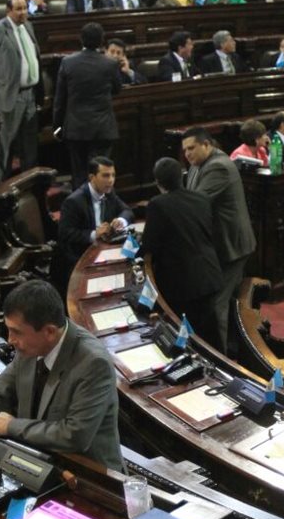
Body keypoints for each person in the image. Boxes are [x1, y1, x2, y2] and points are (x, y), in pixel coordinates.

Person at [0, 280, 122, 470]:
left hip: (89, 475)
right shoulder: (30, 347)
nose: (10, 340)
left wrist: (12, 426)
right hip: (37, 460)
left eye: (16, 332)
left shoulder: (93, 363)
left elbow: (74, 435)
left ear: (49, 331)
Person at [181, 126, 256, 351]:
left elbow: (194, 204)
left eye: (191, 148)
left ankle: (221, 360)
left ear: (207, 144)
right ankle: (234, 348)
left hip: (231, 247)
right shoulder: (198, 165)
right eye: (185, 150)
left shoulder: (218, 167)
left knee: (218, 305)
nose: (187, 154)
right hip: (219, 246)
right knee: (226, 303)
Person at [140, 157, 224, 347]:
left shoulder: (157, 204)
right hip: (209, 273)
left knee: (186, 334)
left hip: (182, 282)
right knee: (211, 331)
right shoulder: (201, 198)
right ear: (182, 176)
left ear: (158, 182)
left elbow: (150, 244)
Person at [0, 0, 41, 177]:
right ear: (8, 11)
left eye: (24, 9)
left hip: (30, 94)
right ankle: (2, 184)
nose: (22, 13)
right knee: (5, 143)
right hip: (9, 95)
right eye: (18, 9)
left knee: (29, 142)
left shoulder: (28, 26)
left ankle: (30, 180)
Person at [54, 23, 123, 189]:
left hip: (76, 128)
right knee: (102, 174)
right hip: (102, 128)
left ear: (81, 39)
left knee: (79, 175)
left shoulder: (68, 62)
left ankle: (82, 211)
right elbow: (117, 89)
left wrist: (57, 125)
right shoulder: (110, 64)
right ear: (101, 41)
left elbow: (60, 98)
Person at [53, 156, 132, 288]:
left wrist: (120, 220)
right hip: (79, 256)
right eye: (106, 176)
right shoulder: (74, 201)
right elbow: (64, 234)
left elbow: (127, 211)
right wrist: (94, 234)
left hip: (103, 250)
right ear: (92, 177)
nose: (111, 180)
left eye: (113, 175)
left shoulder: (109, 193)